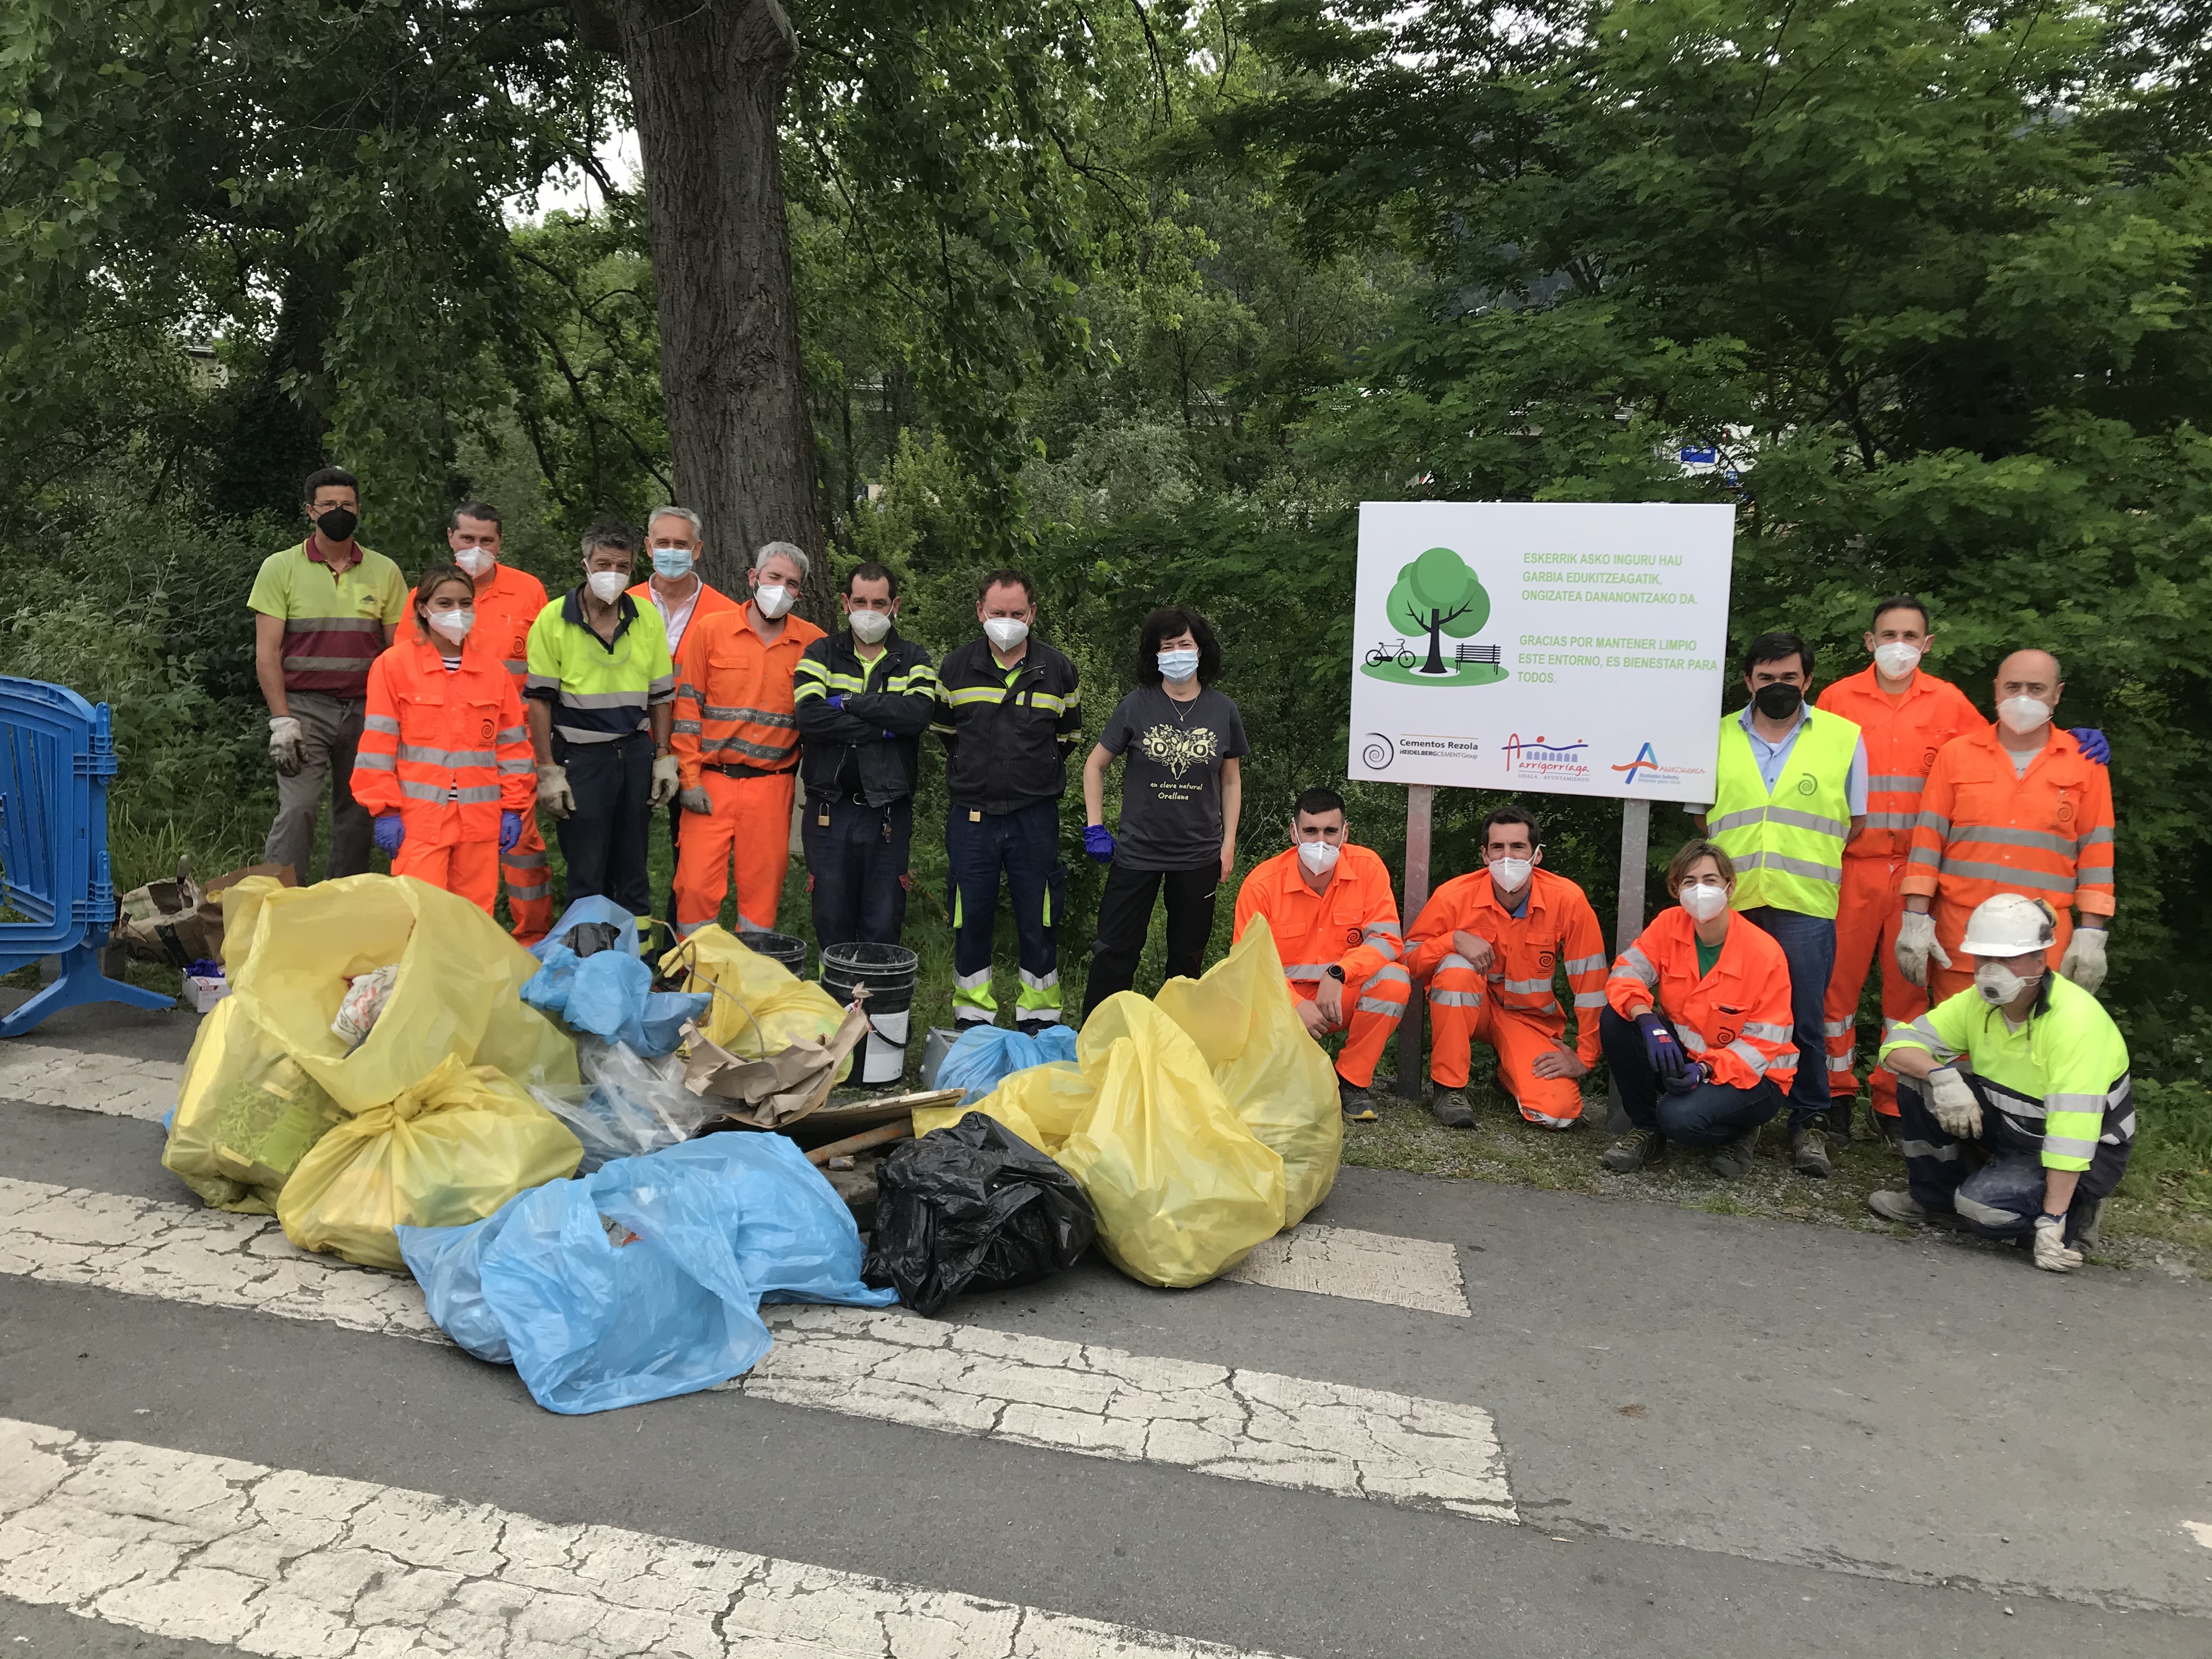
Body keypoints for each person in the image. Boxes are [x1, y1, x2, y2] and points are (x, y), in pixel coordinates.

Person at [1871, 894, 2132, 1271]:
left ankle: (2073, 1213)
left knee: (1984, 1211)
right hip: (2016, 1125)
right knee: (1920, 1082)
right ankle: (1935, 1202)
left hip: (2086, 1150)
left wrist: (2052, 1220)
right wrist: (1941, 1076)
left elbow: (2072, 1133)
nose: (1992, 971)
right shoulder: (1978, 1004)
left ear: (2040, 960)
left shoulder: (2075, 1024)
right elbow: (1898, 1045)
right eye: (1984, 959)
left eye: (2006, 959)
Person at [1694, 629, 1867, 1178]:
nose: (1778, 687)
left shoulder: (1844, 738)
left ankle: (1810, 1123)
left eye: (1789, 677)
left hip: (1804, 904)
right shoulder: (1714, 737)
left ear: (1807, 680)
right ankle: (1739, 1123)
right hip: (1733, 904)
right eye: (1767, 678)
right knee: (1730, 1018)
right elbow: (1702, 817)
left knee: (1805, 1020)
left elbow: (1855, 821)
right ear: (1748, 682)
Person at [1812, 596, 1984, 1142]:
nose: (1899, 645)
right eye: (1888, 634)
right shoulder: (1838, 698)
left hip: (1918, 873)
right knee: (1834, 989)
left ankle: (1892, 1101)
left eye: (1910, 635)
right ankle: (1833, 1097)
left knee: (1908, 992)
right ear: (1869, 641)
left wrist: (2072, 742)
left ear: (1927, 645)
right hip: (1852, 864)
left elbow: (1993, 754)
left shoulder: (1951, 703)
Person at [1898, 649, 2115, 1006]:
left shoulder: (2086, 764)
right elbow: (1927, 844)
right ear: (1996, 690)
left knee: (2032, 1053)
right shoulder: (1956, 755)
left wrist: (2092, 933)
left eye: (2037, 688)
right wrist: (1915, 920)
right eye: (2013, 687)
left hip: (2042, 945)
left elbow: (2097, 853)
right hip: (1964, 938)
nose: (2024, 698)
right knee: (1957, 1051)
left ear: (2057, 694)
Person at [932, 571, 1084, 1032]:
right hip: (972, 816)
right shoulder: (955, 668)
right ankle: (972, 1013)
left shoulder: (1059, 669)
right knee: (970, 914)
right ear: (981, 612)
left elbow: (1069, 737)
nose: (1007, 621)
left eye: (1017, 614)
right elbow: (945, 734)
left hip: (1034, 815)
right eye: (998, 613)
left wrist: (1028, 778)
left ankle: (1039, 1015)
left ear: (1032, 614)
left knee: (1039, 916)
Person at [1080, 607, 1248, 1018]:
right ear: (1154, 656)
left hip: (1198, 854)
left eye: (1184, 645)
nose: (1176, 653)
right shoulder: (1136, 706)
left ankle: (1177, 1046)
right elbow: (1094, 765)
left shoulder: (1222, 710)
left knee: (1186, 961)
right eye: (1167, 647)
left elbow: (1231, 781)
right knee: (1115, 952)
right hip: (1137, 852)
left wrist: (1228, 845)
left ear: (1201, 650)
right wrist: (1095, 826)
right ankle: (1098, 1043)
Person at [1599, 840, 1799, 1177]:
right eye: (1690, 882)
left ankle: (1741, 1133)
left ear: (1730, 887)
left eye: (1710, 880)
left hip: (1756, 1077)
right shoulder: (1669, 925)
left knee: (1679, 1120)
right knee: (1617, 1019)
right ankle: (1647, 1130)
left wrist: (1706, 1070)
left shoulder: (1764, 953)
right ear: (1677, 889)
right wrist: (1647, 1020)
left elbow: (1763, 1044)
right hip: (1689, 1060)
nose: (1700, 889)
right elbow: (1626, 973)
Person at [1404, 805, 1607, 1132]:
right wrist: (1453, 940)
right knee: (1456, 968)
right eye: (1498, 848)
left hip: (1528, 1020)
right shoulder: (1454, 896)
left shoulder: (1567, 900)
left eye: (1518, 847)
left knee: (1558, 1113)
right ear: (1484, 855)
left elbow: (1592, 982)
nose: (1507, 857)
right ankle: (1450, 1089)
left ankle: (1509, 1072)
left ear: (1536, 855)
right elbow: (1408, 960)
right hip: (1474, 1009)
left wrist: (1585, 1057)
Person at [249, 466, 407, 883]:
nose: (340, 512)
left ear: (360, 510)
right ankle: (277, 901)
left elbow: (399, 652)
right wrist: (281, 720)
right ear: (310, 511)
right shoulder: (280, 568)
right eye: (329, 505)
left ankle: (344, 905)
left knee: (358, 812)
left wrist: (401, 713)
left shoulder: (385, 571)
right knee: (298, 809)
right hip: (305, 709)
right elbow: (267, 653)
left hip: (367, 710)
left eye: (347, 505)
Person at [352, 563, 534, 911]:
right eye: (445, 603)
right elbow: (377, 746)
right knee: (420, 917)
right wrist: (385, 809)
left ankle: (467, 970)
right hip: (420, 822)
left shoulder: (493, 672)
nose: (458, 612)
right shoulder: (393, 666)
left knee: (473, 920)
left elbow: (512, 748)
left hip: (479, 821)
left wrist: (513, 808)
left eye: (466, 603)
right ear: (423, 608)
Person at [523, 521, 678, 916]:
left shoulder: (645, 617)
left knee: (633, 867)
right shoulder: (553, 619)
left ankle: (636, 964)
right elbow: (539, 701)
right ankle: (586, 962)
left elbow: (661, 695)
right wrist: (547, 770)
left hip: (635, 754)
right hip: (581, 757)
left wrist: (662, 756)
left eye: (622, 566)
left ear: (631, 571)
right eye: (603, 564)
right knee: (587, 869)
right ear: (586, 565)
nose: (612, 574)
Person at [669, 541, 822, 936]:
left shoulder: (814, 644)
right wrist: (688, 779)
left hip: (772, 787)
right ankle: (693, 979)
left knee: (761, 893)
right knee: (696, 887)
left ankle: (749, 980)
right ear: (753, 578)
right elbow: (687, 712)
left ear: (800, 593)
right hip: (711, 782)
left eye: (792, 583)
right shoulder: (711, 631)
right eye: (774, 577)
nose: (781, 589)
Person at [1231, 787, 1409, 1121]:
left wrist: (1340, 972)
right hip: (1280, 1004)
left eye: (1330, 831)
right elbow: (1247, 964)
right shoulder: (1261, 884)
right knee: (1275, 1097)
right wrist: (1295, 1005)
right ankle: (1292, 1074)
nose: (1321, 841)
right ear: (1294, 832)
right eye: (1311, 831)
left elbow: (1386, 940)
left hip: (1339, 994)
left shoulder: (1368, 868)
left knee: (1395, 980)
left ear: (1345, 832)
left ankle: (1352, 1082)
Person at [793, 562, 938, 947]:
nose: (869, 611)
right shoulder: (820, 652)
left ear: (895, 606)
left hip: (888, 810)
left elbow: (917, 715)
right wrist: (883, 728)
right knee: (831, 916)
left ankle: (880, 1006)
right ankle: (838, 1003)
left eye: (879, 602)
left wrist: (847, 702)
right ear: (845, 603)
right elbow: (809, 717)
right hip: (828, 807)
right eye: (860, 602)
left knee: (883, 918)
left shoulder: (914, 658)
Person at [427, 503, 555, 943]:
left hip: (514, 743)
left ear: (500, 543)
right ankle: (452, 939)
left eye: (487, 541)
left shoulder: (528, 591)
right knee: (450, 845)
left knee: (523, 846)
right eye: (468, 539)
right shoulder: (429, 594)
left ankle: (532, 939)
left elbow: (544, 671)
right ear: (451, 539)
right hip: (445, 748)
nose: (477, 549)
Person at [630, 507, 743, 922]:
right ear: (648, 547)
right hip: (630, 744)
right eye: (662, 543)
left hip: (695, 750)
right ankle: (624, 949)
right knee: (627, 852)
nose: (671, 552)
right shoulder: (626, 603)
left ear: (697, 549)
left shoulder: (725, 613)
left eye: (681, 544)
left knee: (689, 860)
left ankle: (676, 952)